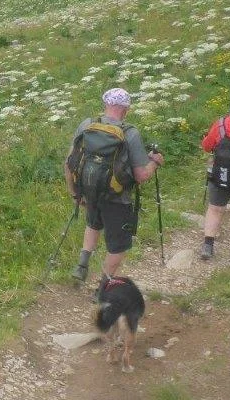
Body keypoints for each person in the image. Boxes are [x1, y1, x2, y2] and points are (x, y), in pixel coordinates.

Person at [65, 88, 163, 291]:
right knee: (119, 245)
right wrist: (154, 162)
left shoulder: (87, 124)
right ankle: (103, 288)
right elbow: (141, 176)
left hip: (90, 190)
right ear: (126, 108)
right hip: (118, 198)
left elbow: (69, 163)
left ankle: (82, 265)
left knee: (93, 224)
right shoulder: (130, 133)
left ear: (105, 104)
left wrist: (74, 192)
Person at [198, 89, 230, 259]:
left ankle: (208, 245)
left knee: (215, 208)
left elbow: (206, 146)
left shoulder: (220, 124)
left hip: (219, 174)